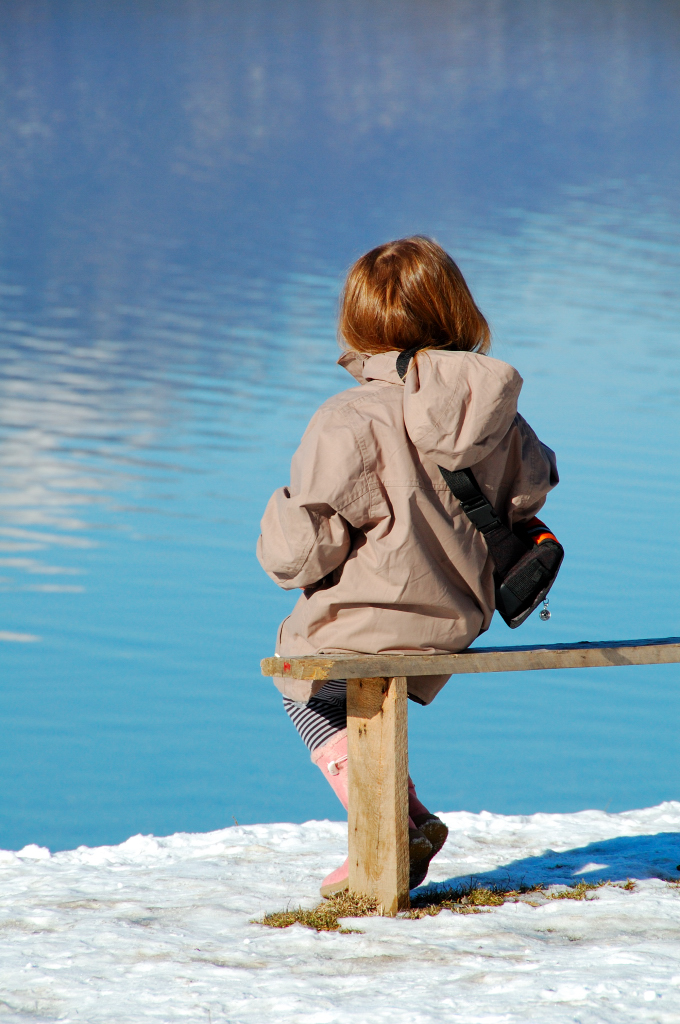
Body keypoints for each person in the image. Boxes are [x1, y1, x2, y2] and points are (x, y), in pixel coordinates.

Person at [256, 236, 559, 897]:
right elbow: (534, 489)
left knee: (297, 675)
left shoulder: (348, 417)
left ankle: (392, 820)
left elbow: (300, 555)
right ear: (455, 310)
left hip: (374, 622)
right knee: (334, 678)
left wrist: (279, 510)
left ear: (358, 323)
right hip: (461, 616)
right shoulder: (496, 409)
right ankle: (407, 818)